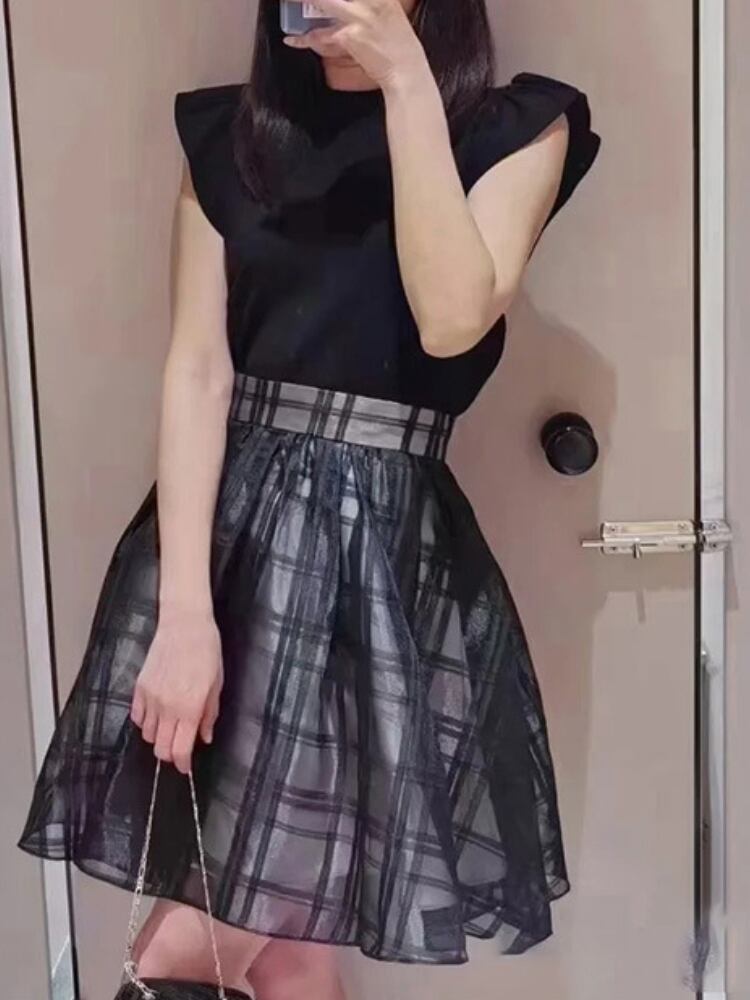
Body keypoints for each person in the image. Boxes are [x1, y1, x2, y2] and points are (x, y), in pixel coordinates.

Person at [18, 0, 601, 996]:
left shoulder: (517, 130)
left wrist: (406, 77)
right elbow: (197, 371)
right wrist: (184, 618)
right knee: (286, 953)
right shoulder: (231, 138)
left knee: (207, 953)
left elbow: (453, 317)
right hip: (233, 547)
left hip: (380, 559)